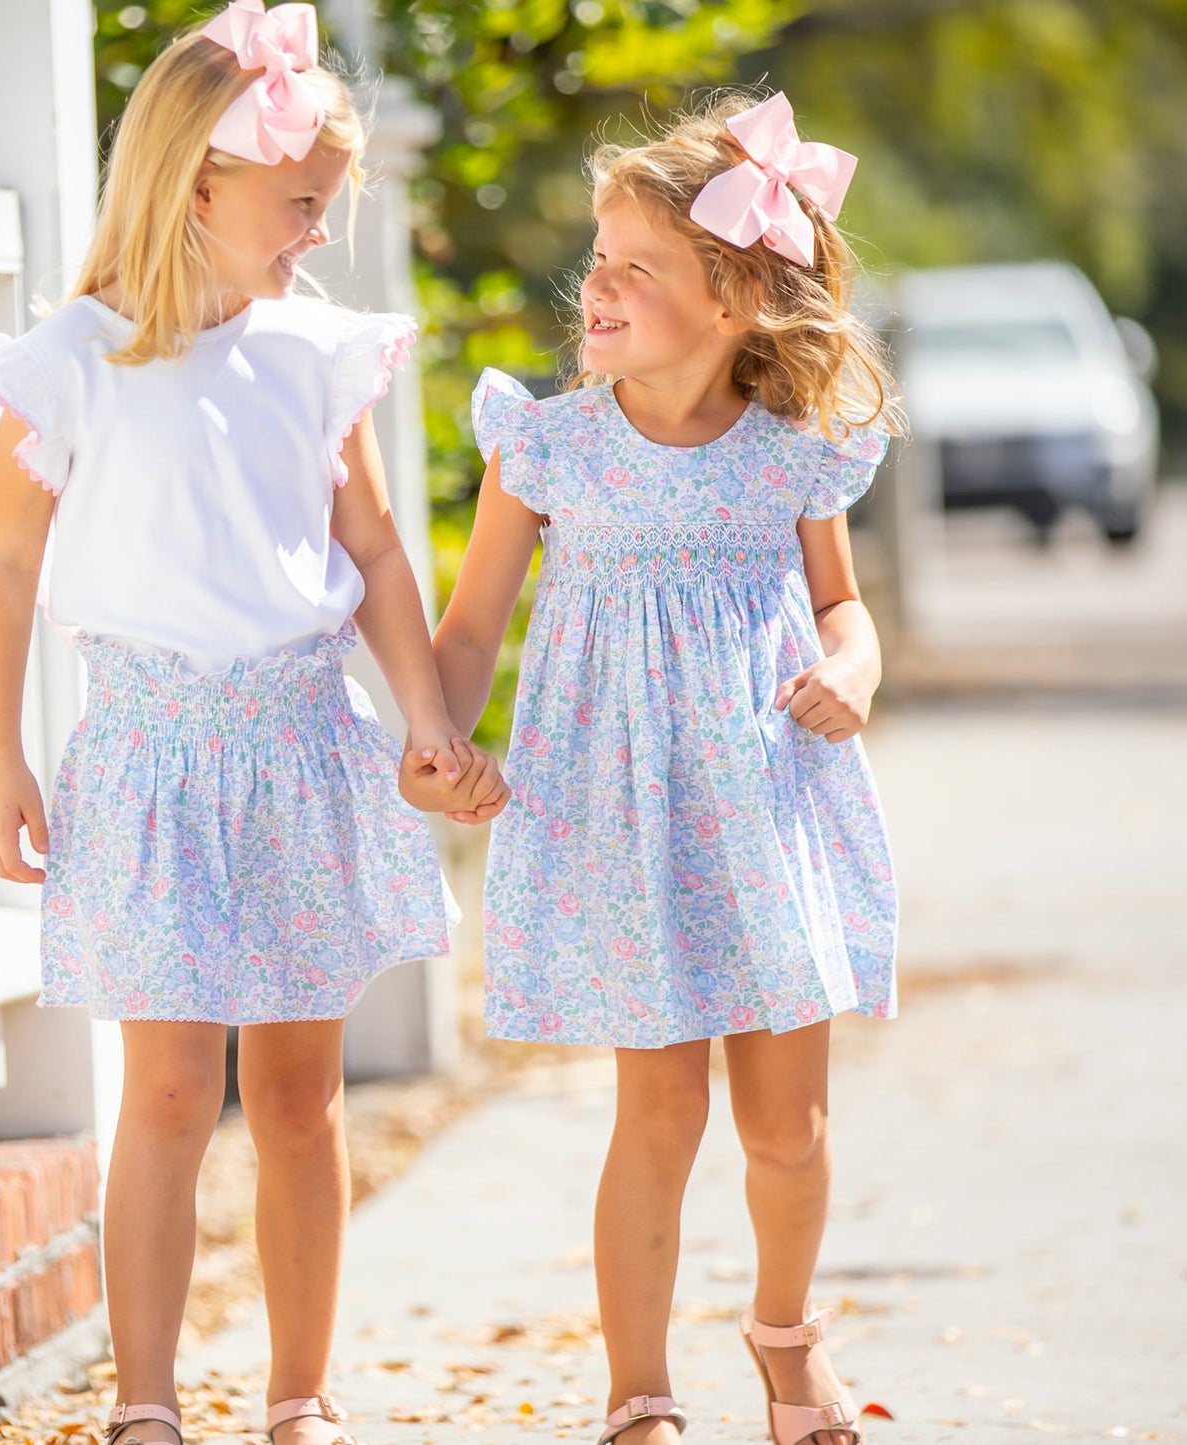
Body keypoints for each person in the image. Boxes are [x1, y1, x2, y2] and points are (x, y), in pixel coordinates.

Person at [0, 5, 504, 1443]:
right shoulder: (71, 357)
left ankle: (299, 1391)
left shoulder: (318, 356)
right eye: (300, 201)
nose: (318, 230)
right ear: (198, 177)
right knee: (173, 1087)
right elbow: (6, 566)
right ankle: (144, 1396)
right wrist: (0, 753)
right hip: (144, 758)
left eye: (326, 204)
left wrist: (425, 719)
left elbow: (375, 555)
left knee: (304, 1094)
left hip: (302, 746)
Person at [414, 92, 905, 1445]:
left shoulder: (791, 456)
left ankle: (786, 1341)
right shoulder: (548, 446)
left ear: (738, 297)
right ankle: (638, 1391)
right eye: (600, 260)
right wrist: (439, 734)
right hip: (623, 821)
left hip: (765, 807)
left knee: (787, 1126)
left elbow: (840, 611)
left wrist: (851, 671)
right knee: (657, 1107)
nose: (601, 286)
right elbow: (466, 634)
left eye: (640, 265)